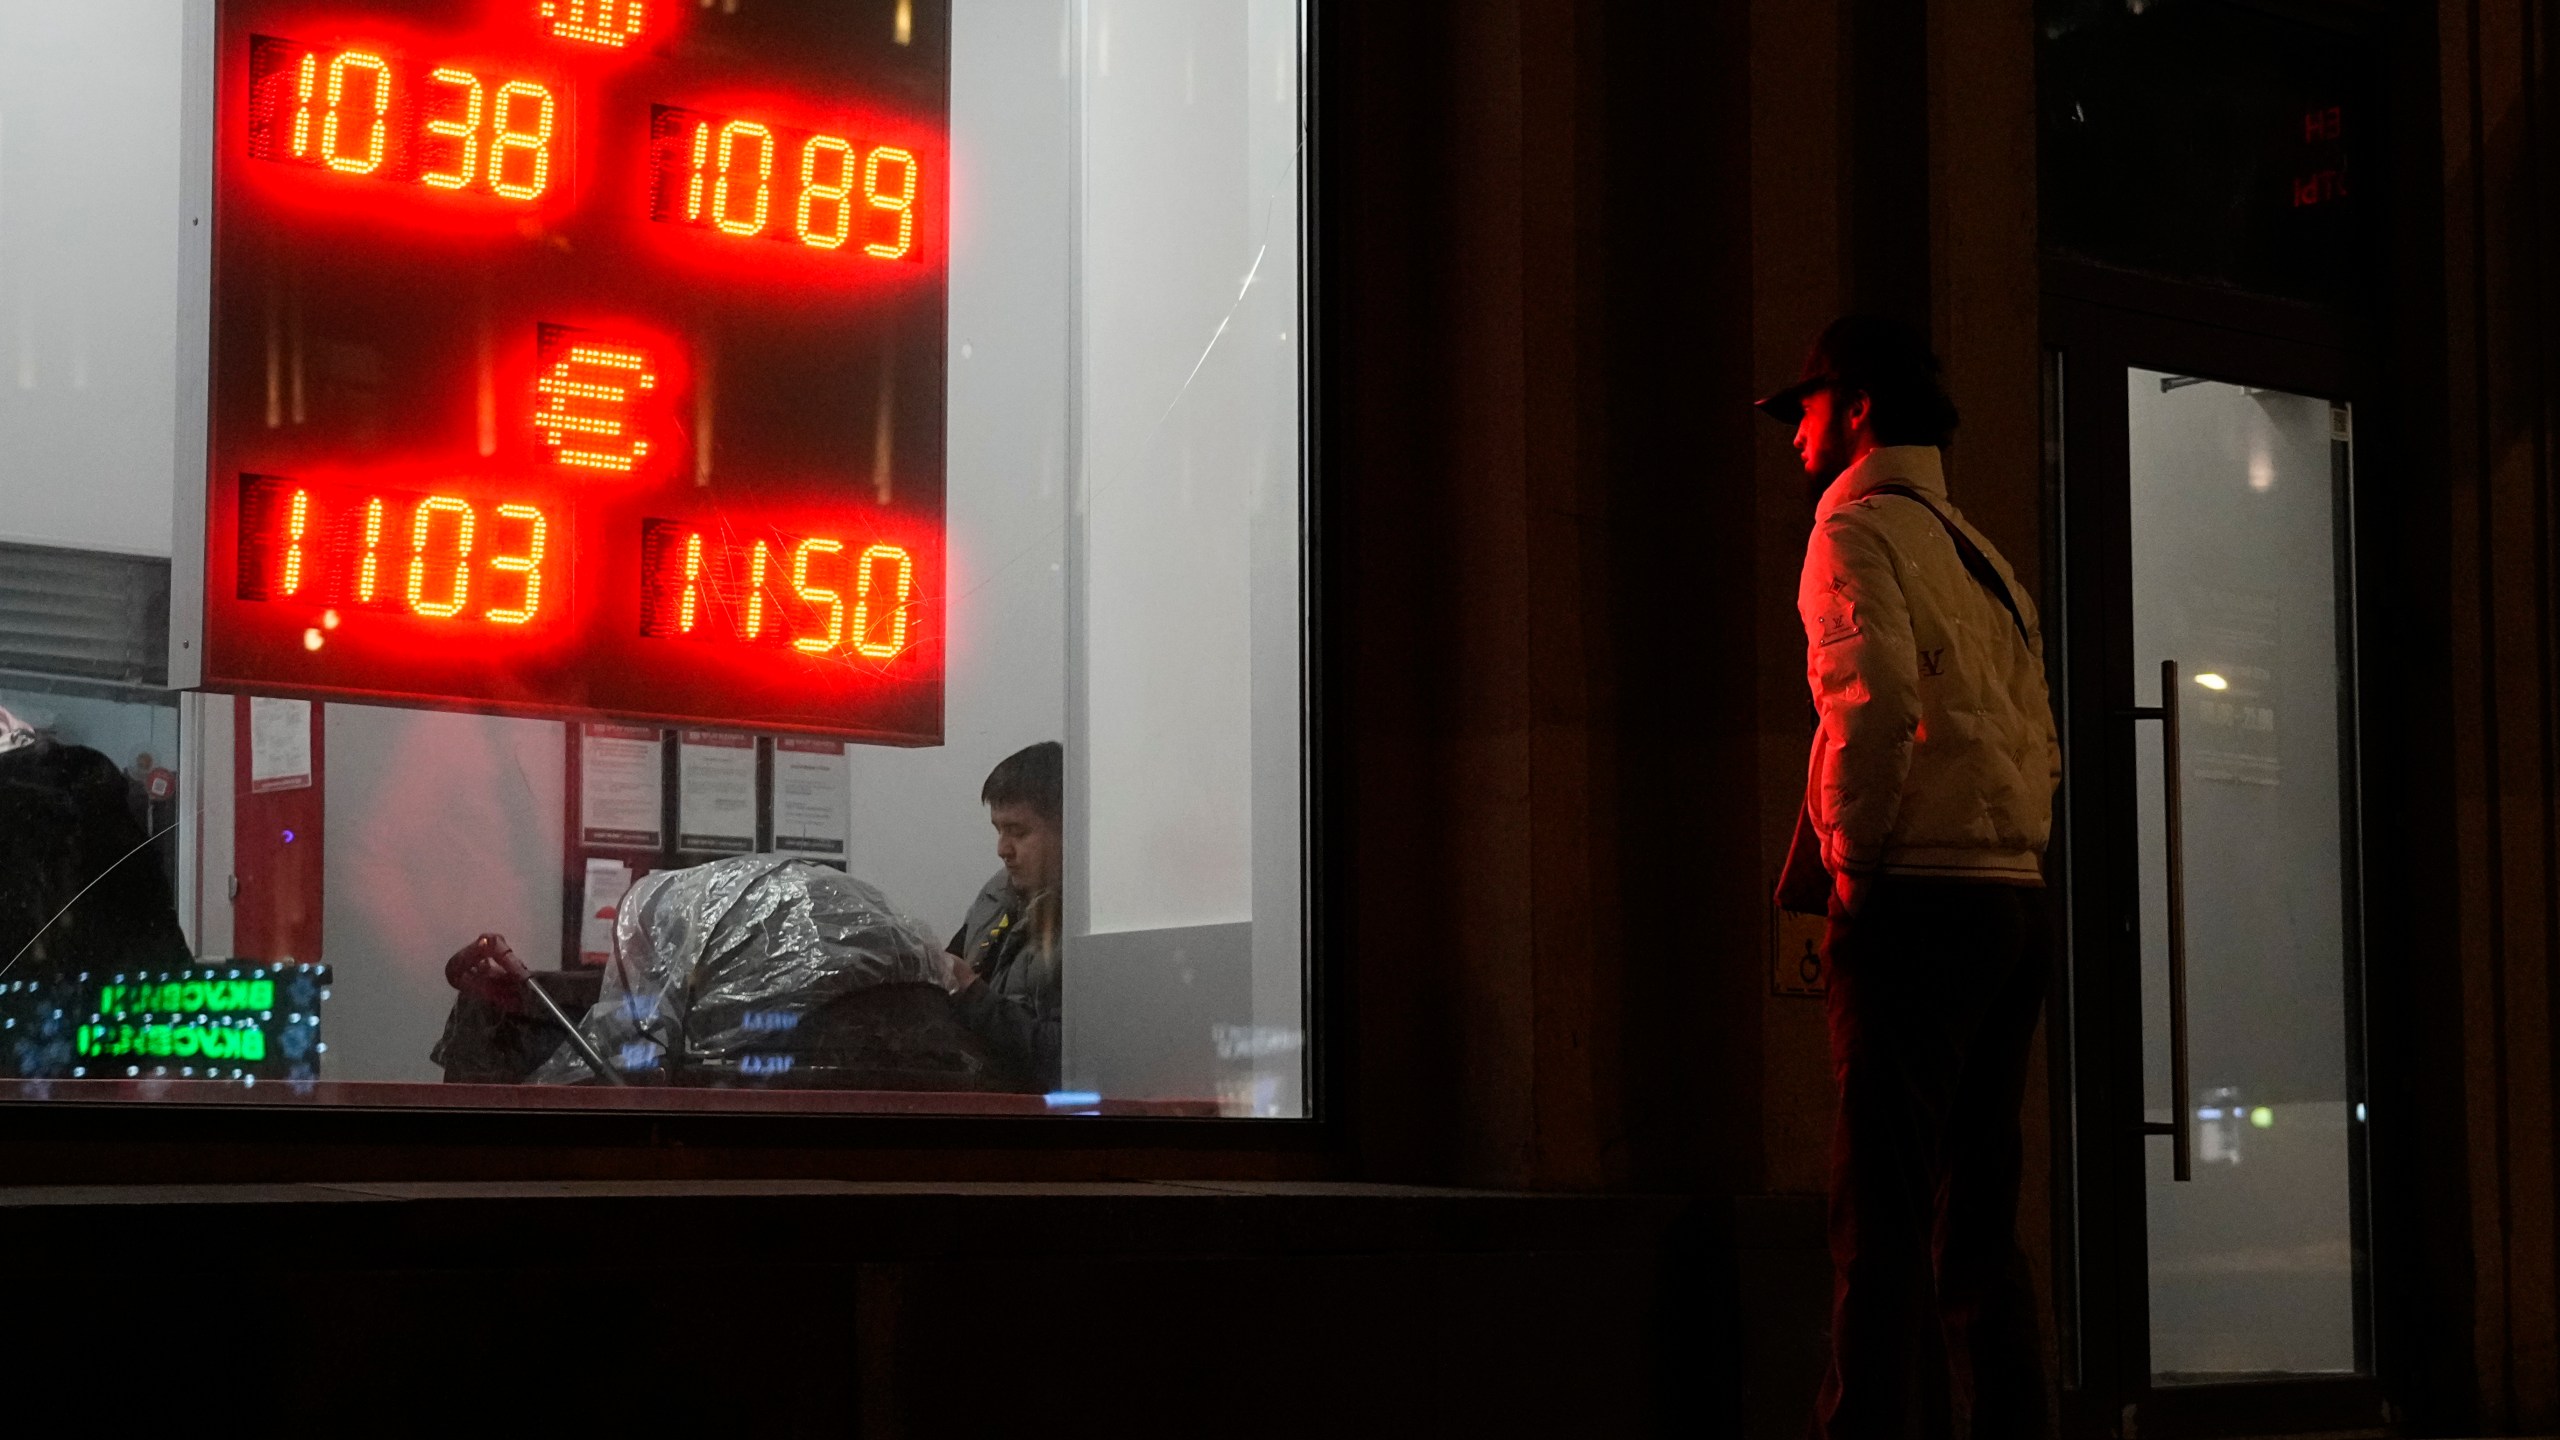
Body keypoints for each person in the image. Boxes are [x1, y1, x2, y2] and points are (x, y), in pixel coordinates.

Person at [1759, 315, 2062, 1440]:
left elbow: (1869, 707)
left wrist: (1854, 864)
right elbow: (2040, 731)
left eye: (1807, 406)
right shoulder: (1981, 554)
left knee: (1876, 1218)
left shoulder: (1854, 535)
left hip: (1919, 900)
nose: (1794, 432)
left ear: (1860, 410)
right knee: (1975, 1221)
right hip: (2009, 898)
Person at [941, 741, 1062, 1092]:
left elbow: (1069, 1056)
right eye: (999, 830)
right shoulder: (995, 897)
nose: (1002, 850)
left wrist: (973, 997)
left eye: (1019, 832)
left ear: (1069, 827)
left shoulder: (1093, 926)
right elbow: (949, 970)